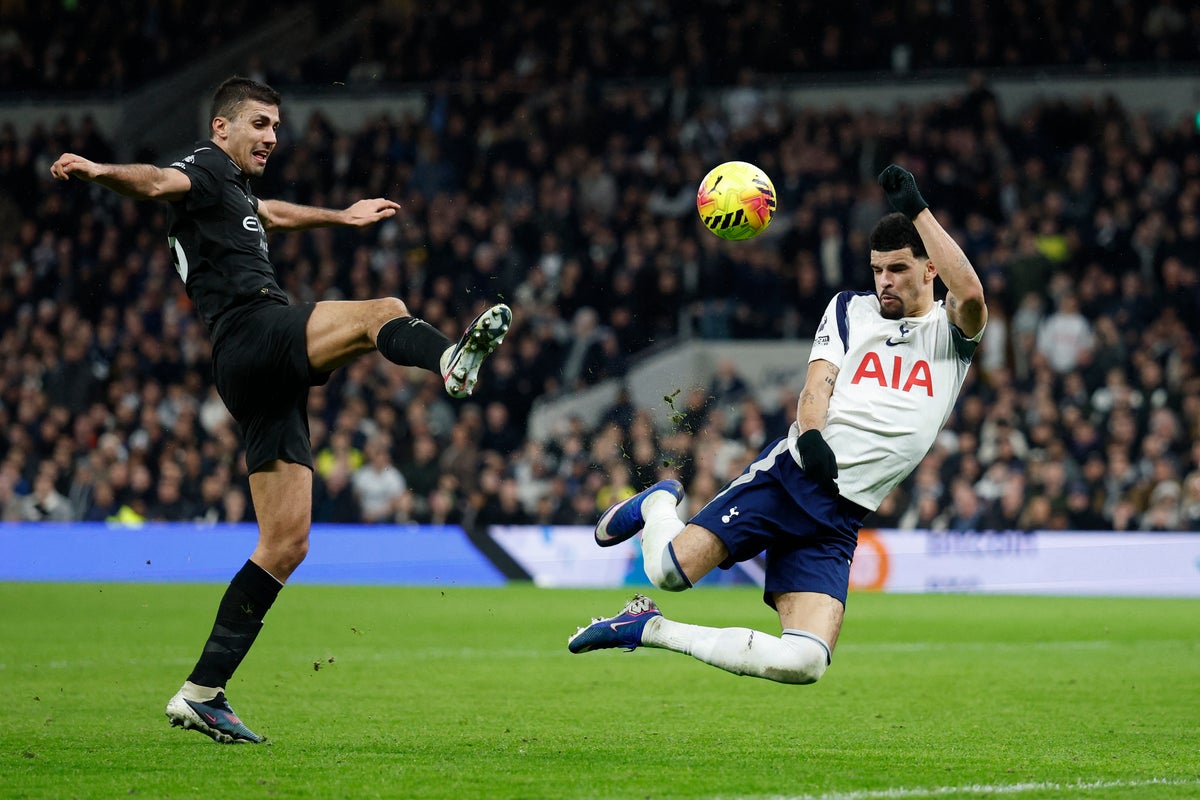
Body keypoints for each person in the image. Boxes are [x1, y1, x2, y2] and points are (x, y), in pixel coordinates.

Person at [50, 76, 511, 743]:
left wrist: (342, 216)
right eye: (260, 124)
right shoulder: (204, 168)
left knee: (286, 543)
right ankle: (449, 361)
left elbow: (274, 215)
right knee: (382, 311)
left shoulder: (231, 190)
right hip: (251, 333)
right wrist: (98, 170)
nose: (271, 137)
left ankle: (202, 691)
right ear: (221, 128)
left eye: (275, 127)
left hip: (246, 368)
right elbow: (153, 183)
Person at [568, 164, 986, 685]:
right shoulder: (850, 310)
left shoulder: (949, 334)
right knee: (668, 573)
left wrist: (919, 209)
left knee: (805, 663)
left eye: (898, 269)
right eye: (877, 269)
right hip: (792, 479)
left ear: (930, 271)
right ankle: (656, 503)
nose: (884, 281)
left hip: (841, 518)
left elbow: (969, 293)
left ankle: (649, 628)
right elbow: (817, 387)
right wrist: (810, 436)